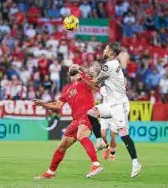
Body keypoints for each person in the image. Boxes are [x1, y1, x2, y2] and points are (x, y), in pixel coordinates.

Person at [73, 42, 142, 178]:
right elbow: (96, 76)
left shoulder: (109, 65)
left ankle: (135, 163)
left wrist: (81, 77)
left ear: (110, 53)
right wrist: (81, 69)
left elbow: (95, 83)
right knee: (91, 113)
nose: (104, 50)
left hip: (119, 105)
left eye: (106, 49)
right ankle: (99, 141)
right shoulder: (110, 65)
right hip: (110, 103)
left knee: (123, 134)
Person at [33, 66, 103, 179]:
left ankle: (96, 164)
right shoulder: (67, 88)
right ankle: (50, 173)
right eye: (70, 67)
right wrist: (43, 104)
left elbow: (96, 88)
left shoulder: (84, 80)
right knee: (61, 146)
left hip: (87, 115)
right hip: (75, 120)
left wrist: (83, 74)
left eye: (73, 66)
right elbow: (58, 105)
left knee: (81, 135)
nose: (71, 67)